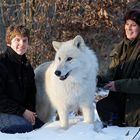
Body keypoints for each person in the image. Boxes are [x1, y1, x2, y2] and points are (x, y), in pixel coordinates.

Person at [96, 9, 140, 127]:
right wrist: (98, 80)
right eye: (127, 24)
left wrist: (118, 85)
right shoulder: (120, 48)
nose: (128, 28)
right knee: (102, 106)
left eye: (134, 25)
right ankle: (114, 126)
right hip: (121, 100)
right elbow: (111, 75)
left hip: (136, 104)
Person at [0, 25, 44, 134]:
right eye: (17, 40)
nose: (22, 44)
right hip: (3, 112)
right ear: (9, 42)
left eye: (25, 40)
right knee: (24, 128)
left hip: (18, 113)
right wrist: (23, 112)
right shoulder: (2, 63)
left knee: (44, 127)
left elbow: (30, 94)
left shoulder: (27, 67)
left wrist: (30, 113)